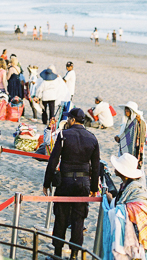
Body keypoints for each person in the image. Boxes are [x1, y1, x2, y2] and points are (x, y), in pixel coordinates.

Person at [43, 108, 100, 259]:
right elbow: (96, 167)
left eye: (69, 118)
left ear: (73, 120)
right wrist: (94, 188)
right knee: (78, 219)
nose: (68, 120)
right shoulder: (92, 138)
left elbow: (53, 161)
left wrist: (46, 182)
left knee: (60, 217)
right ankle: (74, 255)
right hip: (83, 184)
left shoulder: (63, 135)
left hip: (65, 182)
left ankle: (57, 253)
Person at [115, 101, 147, 168]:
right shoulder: (126, 121)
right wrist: (118, 137)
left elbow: (145, 133)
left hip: (134, 148)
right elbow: (124, 133)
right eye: (125, 110)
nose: (126, 112)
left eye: (128, 110)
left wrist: (139, 122)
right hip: (126, 147)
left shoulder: (139, 122)